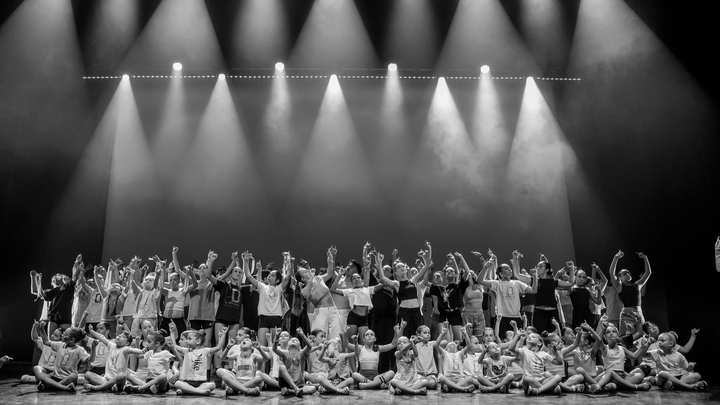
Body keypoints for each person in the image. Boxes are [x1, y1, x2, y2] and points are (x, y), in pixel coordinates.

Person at [477, 251, 537, 337]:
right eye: (506, 268)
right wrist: (485, 267)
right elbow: (480, 281)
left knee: (517, 340)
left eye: (509, 267)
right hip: (502, 317)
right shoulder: (497, 283)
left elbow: (533, 290)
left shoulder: (517, 283)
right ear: (501, 273)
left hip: (516, 317)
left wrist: (535, 276)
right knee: (503, 339)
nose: (509, 269)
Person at [168, 327, 228, 395]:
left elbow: (218, 347)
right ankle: (199, 391)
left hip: (201, 383)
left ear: (198, 341)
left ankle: (187, 390)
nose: (187, 341)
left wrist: (224, 334)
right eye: (187, 339)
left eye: (189, 339)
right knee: (178, 383)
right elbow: (174, 346)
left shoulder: (205, 351)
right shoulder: (186, 351)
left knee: (212, 385)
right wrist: (172, 332)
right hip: (187, 381)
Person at [32, 321, 90, 391]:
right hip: (55, 376)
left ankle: (52, 386)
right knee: (41, 375)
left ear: (72, 340)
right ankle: (63, 387)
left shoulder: (79, 350)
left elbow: (89, 360)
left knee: (74, 375)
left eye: (65, 334)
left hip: (67, 379)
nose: (63, 335)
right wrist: (42, 328)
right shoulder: (60, 345)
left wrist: (94, 348)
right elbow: (46, 341)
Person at [350, 321, 404, 389]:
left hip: (376, 377)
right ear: (363, 339)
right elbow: (346, 344)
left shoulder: (378, 348)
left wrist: (396, 332)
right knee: (354, 375)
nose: (369, 336)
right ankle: (376, 384)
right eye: (367, 335)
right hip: (363, 377)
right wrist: (345, 334)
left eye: (371, 334)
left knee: (391, 373)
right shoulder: (360, 348)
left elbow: (393, 344)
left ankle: (368, 385)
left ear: (375, 339)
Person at [609, 250, 652, 335]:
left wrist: (645, 258)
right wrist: (616, 258)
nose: (628, 274)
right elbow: (611, 272)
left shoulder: (637, 285)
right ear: (620, 278)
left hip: (638, 312)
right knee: (627, 336)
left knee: (642, 335)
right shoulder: (619, 287)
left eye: (628, 273)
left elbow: (648, 273)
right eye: (624, 273)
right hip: (627, 314)